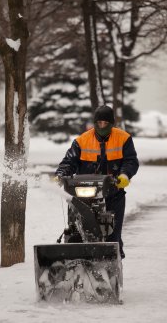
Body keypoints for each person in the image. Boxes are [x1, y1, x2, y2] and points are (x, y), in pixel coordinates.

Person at [54, 105, 139, 259]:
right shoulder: (81, 141)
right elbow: (69, 161)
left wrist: (125, 175)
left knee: (113, 235)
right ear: (94, 123)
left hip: (113, 194)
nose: (102, 126)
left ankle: (114, 262)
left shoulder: (123, 138)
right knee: (76, 231)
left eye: (105, 123)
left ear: (111, 123)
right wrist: (61, 174)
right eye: (99, 123)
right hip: (83, 196)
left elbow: (131, 161)